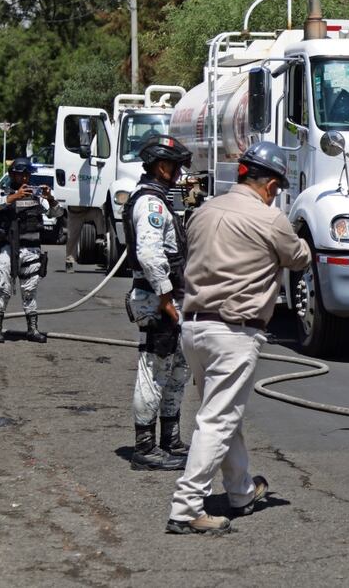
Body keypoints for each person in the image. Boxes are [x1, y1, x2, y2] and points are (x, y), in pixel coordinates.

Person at [166, 141, 311, 535]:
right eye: (277, 188)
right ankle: (185, 507)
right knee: (217, 419)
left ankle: (241, 491)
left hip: (193, 327)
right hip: (234, 332)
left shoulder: (203, 211)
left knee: (222, 413)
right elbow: (299, 257)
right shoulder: (269, 218)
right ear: (271, 185)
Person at [123, 134, 193, 471]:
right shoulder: (150, 203)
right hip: (156, 300)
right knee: (153, 372)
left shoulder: (161, 200)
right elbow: (149, 255)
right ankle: (145, 448)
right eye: (176, 166)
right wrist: (166, 299)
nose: (179, 173)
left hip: (171, 299)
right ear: (162, 167)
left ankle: (170, 439)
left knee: (176, 369)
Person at [0, 158, 63, 343]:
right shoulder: (2, 192)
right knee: (3, 288)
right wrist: (14, 197)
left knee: (30, 291)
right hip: (8, 249)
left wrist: (50, 198)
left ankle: (32, 329)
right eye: (22, 174)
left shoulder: (35, 196)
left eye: (28, 174)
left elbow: (57, 214)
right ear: (13, 175)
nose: (26, 177)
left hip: (31, 251)